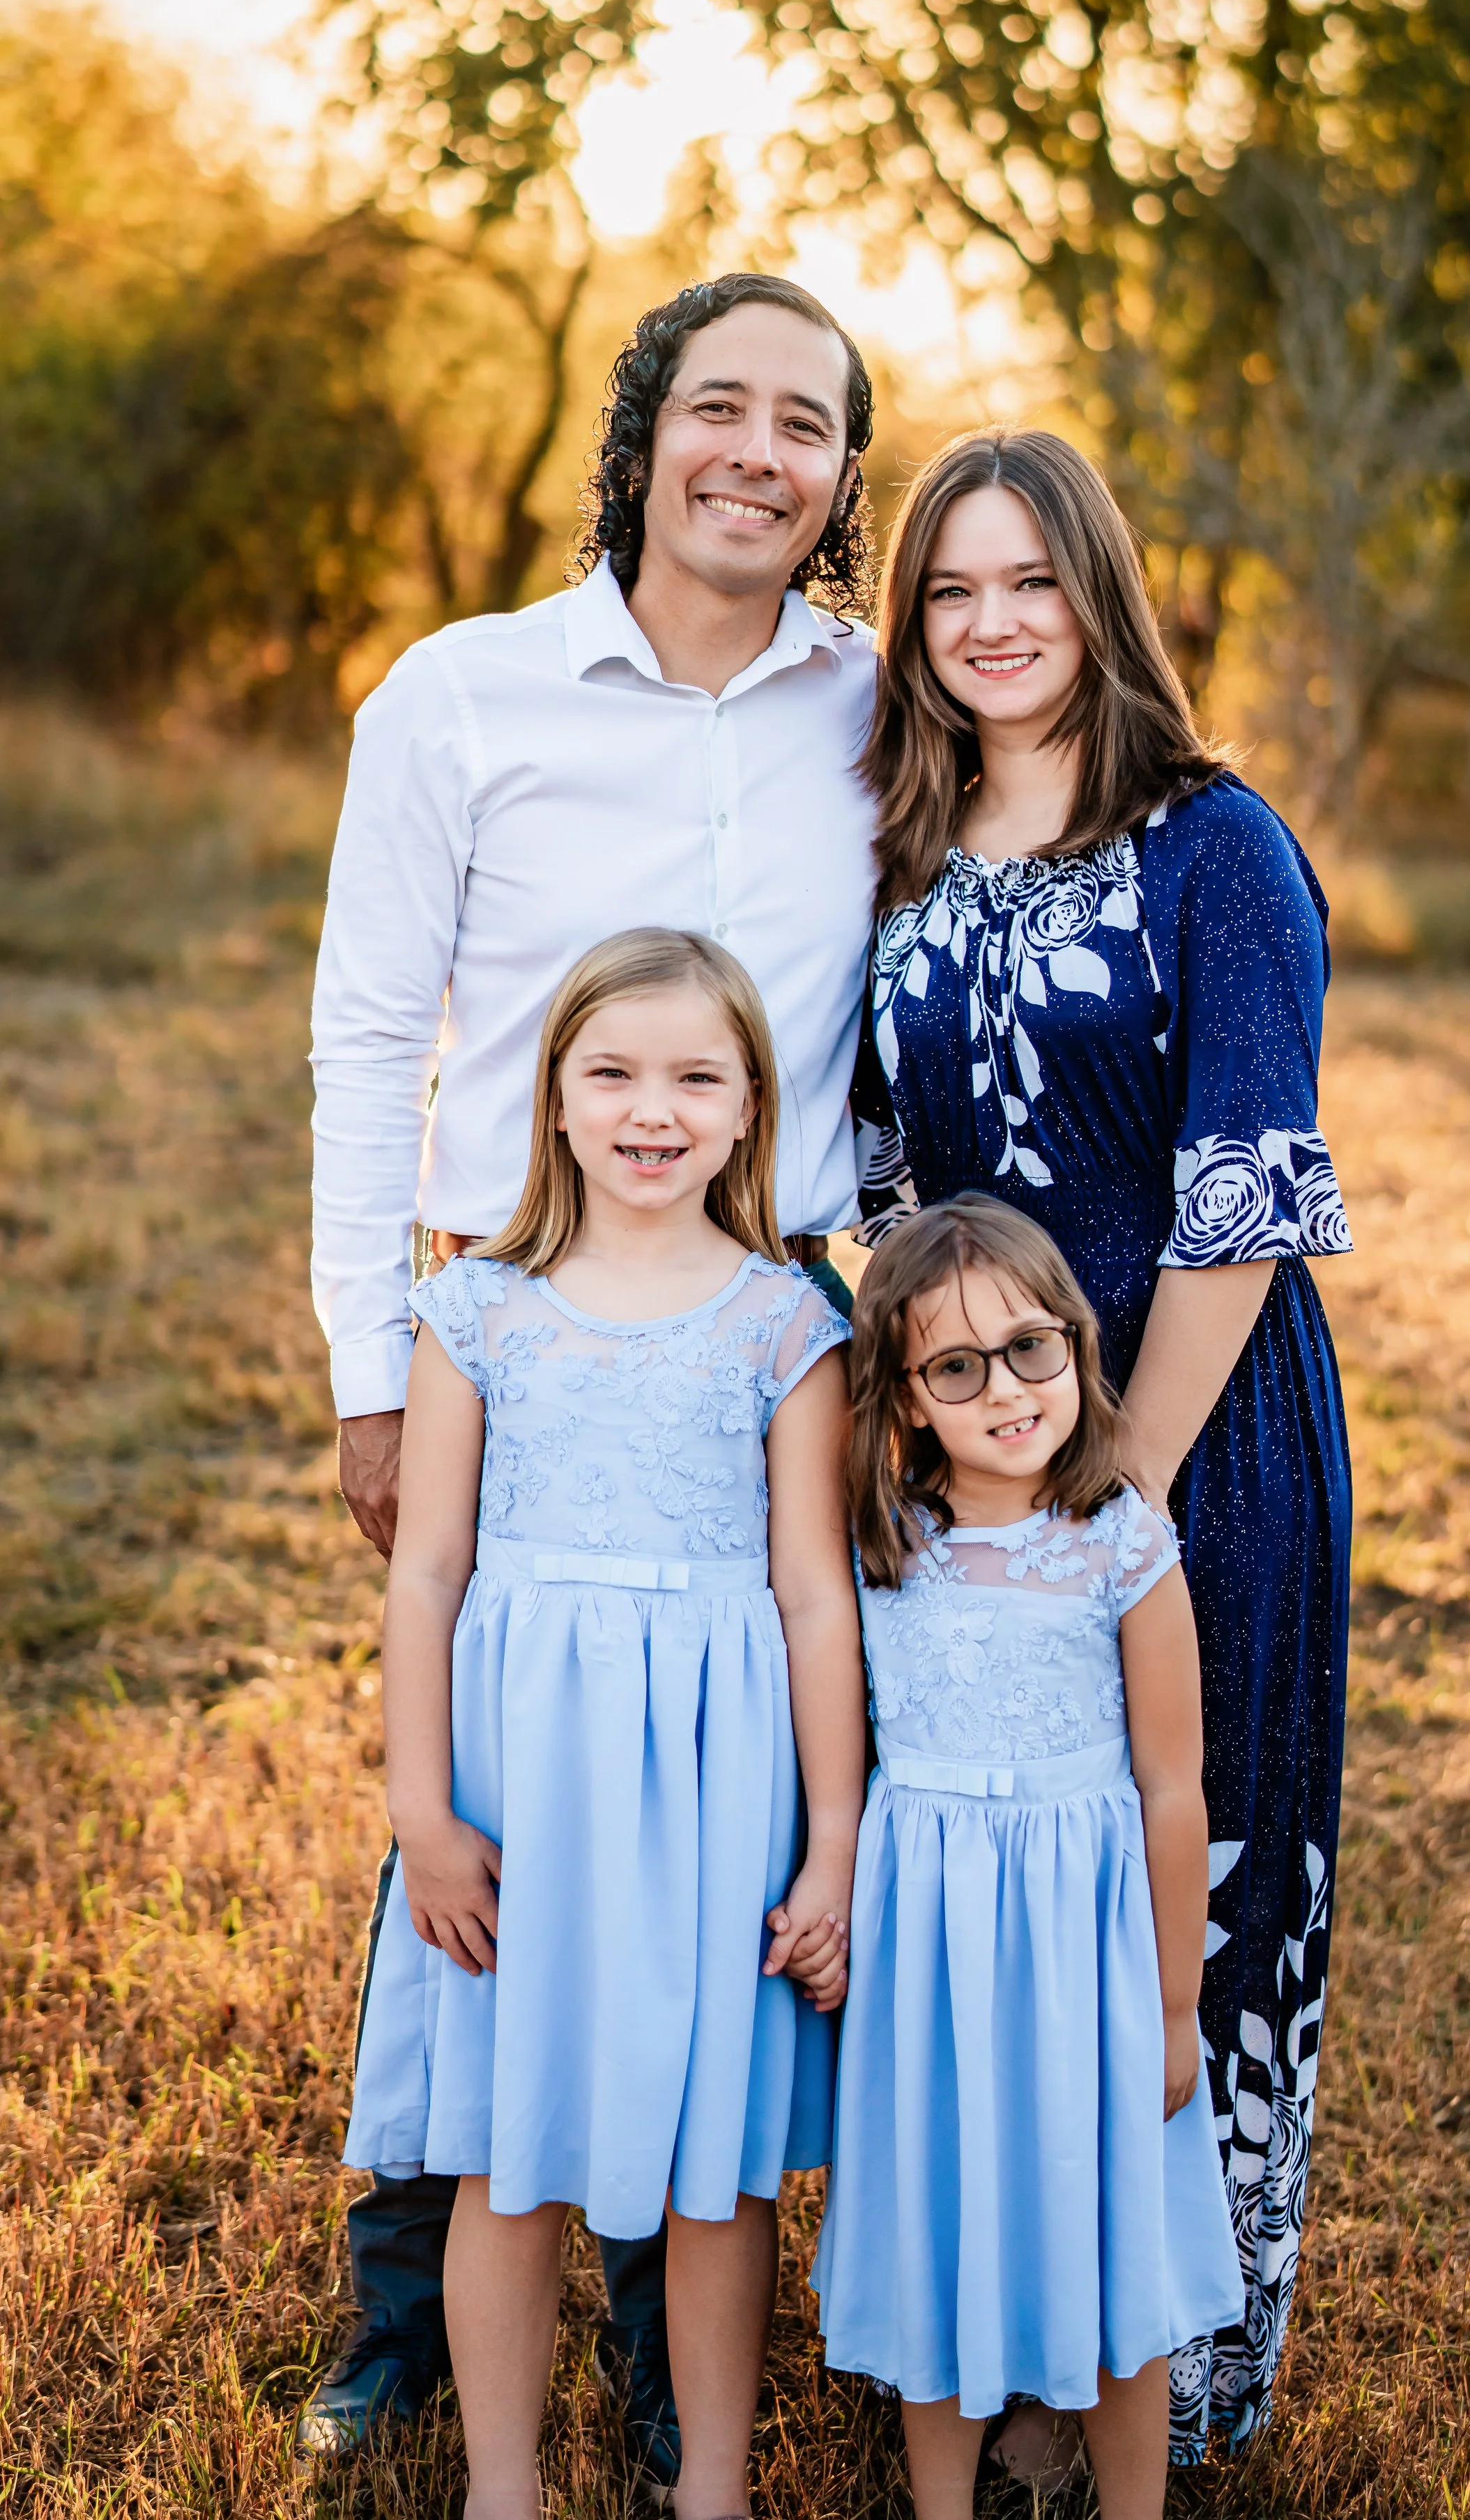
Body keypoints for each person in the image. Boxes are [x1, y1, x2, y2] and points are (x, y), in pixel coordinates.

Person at [304, 272, 880, 2468]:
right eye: (713, 405)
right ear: (639, 437)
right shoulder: (464, 695)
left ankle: (675, 2341)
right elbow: (368, 1035)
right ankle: (404, 2301)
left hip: (775, 1288)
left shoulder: (874, 706)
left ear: (839, 479)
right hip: (515, 1282)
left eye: (804, 423)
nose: (755, 449)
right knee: (489, 1798)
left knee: (718, 1793)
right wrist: (375, 1350)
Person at [852, 431, 1353, 2461]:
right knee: (1004, 1859)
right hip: (965, 1443)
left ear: (1097, 592)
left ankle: (1169, 2360)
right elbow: (884, 1179)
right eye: (949, 591)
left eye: (1028, 583)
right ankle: (1004, 2341)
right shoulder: (897, 843)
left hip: (1190, 1437)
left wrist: (1117, 1474)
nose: (990, 625)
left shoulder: (1213, 844)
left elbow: (1245, 1185)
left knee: (1189, 1855)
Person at [344, 927, 865, 2520]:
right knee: (506, 2149)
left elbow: (814, 1601)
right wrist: (422, 1813)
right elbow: (426, 1575)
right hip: (523, 1795)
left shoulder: (787, 1322)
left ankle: (708, 2487)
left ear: (750, 1108)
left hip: (720, 1797)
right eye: (613, 1072)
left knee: (714, 2162)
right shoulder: (478, 1310)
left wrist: (831, 1840)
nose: (654, 1109)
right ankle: (504, 2487)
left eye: (696, 1076)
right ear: (550, 1098)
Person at [813, 1194, 1243, 2518]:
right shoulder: (885, 1545)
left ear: (1078, 1346)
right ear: (903, 1394)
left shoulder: (1120, 1536)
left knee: (1112, 2239)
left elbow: (1176, 1787)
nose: (1006, 1388)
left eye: (1031, 1348)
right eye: (957, 1365)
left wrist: (1174, 2002)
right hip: (935, 1953)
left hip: (1088, 1942)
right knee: (941, 2226)